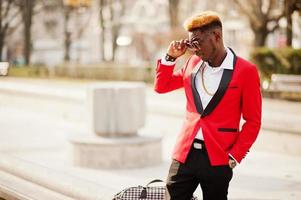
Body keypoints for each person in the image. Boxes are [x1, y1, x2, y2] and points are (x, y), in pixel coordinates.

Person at [154, 11, 262, 200]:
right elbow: (161, 87)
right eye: (190, 44)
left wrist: (235, 156)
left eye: (197, 43)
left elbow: (253, 121)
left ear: (216, 37)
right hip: (184, 154)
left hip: (218, 158)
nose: (194, 49)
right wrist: (170, 58)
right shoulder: (192, 63)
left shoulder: (246, 71)